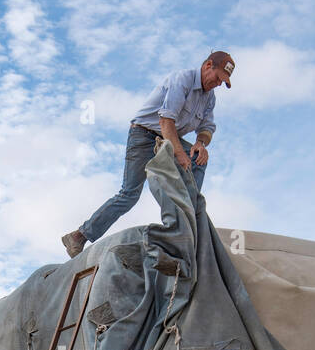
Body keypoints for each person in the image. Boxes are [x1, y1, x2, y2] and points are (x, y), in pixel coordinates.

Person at [62, 51, 235, 258]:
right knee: (129, 194)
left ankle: (186, 224)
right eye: (217, 78)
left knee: (198, 160)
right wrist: (179, 153)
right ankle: (79, 235)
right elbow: (166, 121)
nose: (217, 84)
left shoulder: (209, 99)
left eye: (222, 83)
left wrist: (200, 143)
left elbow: (207, 127)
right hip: (144, 135)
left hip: (169, 139)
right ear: (208, 65)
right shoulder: (183, 80)